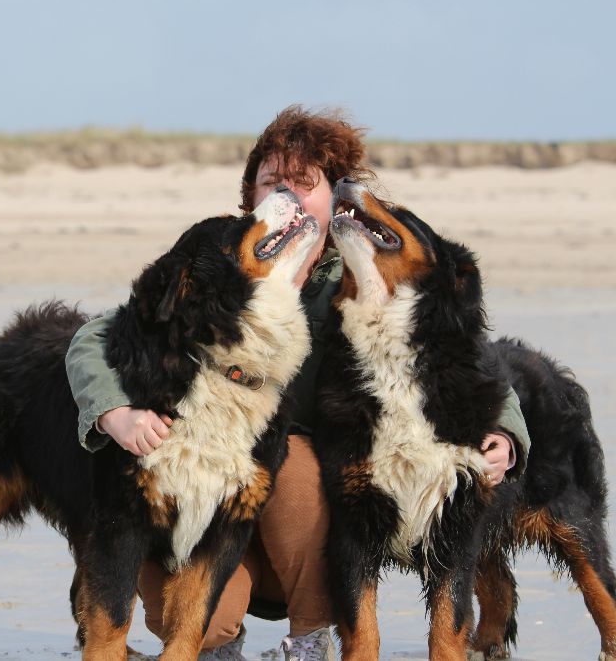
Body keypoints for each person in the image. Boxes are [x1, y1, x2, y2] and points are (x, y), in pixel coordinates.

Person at [65, 105, 530, 661]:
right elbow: (100, 334)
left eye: (304, 183)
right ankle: (215, 635)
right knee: (195, 631)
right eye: (272, 181)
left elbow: (462, 351)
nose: (287, 192)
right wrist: (113, 411)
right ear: (252, 195)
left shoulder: (359, 277)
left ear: (332, 196)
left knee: (304, 464)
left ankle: (312, 635)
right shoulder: (221, 264)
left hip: (301, 497)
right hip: (209, 477)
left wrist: (504, 430)